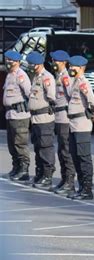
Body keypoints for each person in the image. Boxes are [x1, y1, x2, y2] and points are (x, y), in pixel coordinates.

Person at [66, 55, 94, 200]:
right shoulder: (75, 82)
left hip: (82, 124)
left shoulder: (83, 83)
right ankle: (81, 187)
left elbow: (93, 102)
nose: (70, 68)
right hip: (73, 124)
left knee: (84, 158)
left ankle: (87, 189)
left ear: (80, 68)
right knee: (75, 156)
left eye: (73, 66)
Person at [26, 52, 57, 189]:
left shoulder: (47, 77)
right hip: (35, 119)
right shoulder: (36, 77)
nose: (30, 67)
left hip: (44, 118)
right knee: (38, 147)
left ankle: (48, 175)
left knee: (46, 148)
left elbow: (51, 97)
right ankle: (40, 173)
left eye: (32, 64)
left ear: (38, 64)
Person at [2, 50, 31, 181]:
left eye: (11, 60)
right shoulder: (9, 75)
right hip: (10, 114)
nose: (8, 62)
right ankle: (16, 168)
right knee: (12, 144)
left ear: (18, 62)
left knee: (20, 143)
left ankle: (24, 170)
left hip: (20, 115)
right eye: (7, 59)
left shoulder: (21, 75)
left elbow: (29, 94)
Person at [50, 50, 75, 195]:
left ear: (64, 62)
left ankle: (70, 182)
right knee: (61, 150)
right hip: (58, 116)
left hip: (65, 116)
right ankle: (64, 178)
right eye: (53, 60)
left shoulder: (66, 77)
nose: (54, 63)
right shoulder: (58, 76)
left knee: (66, 150)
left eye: (56, 61)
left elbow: (71, 95)